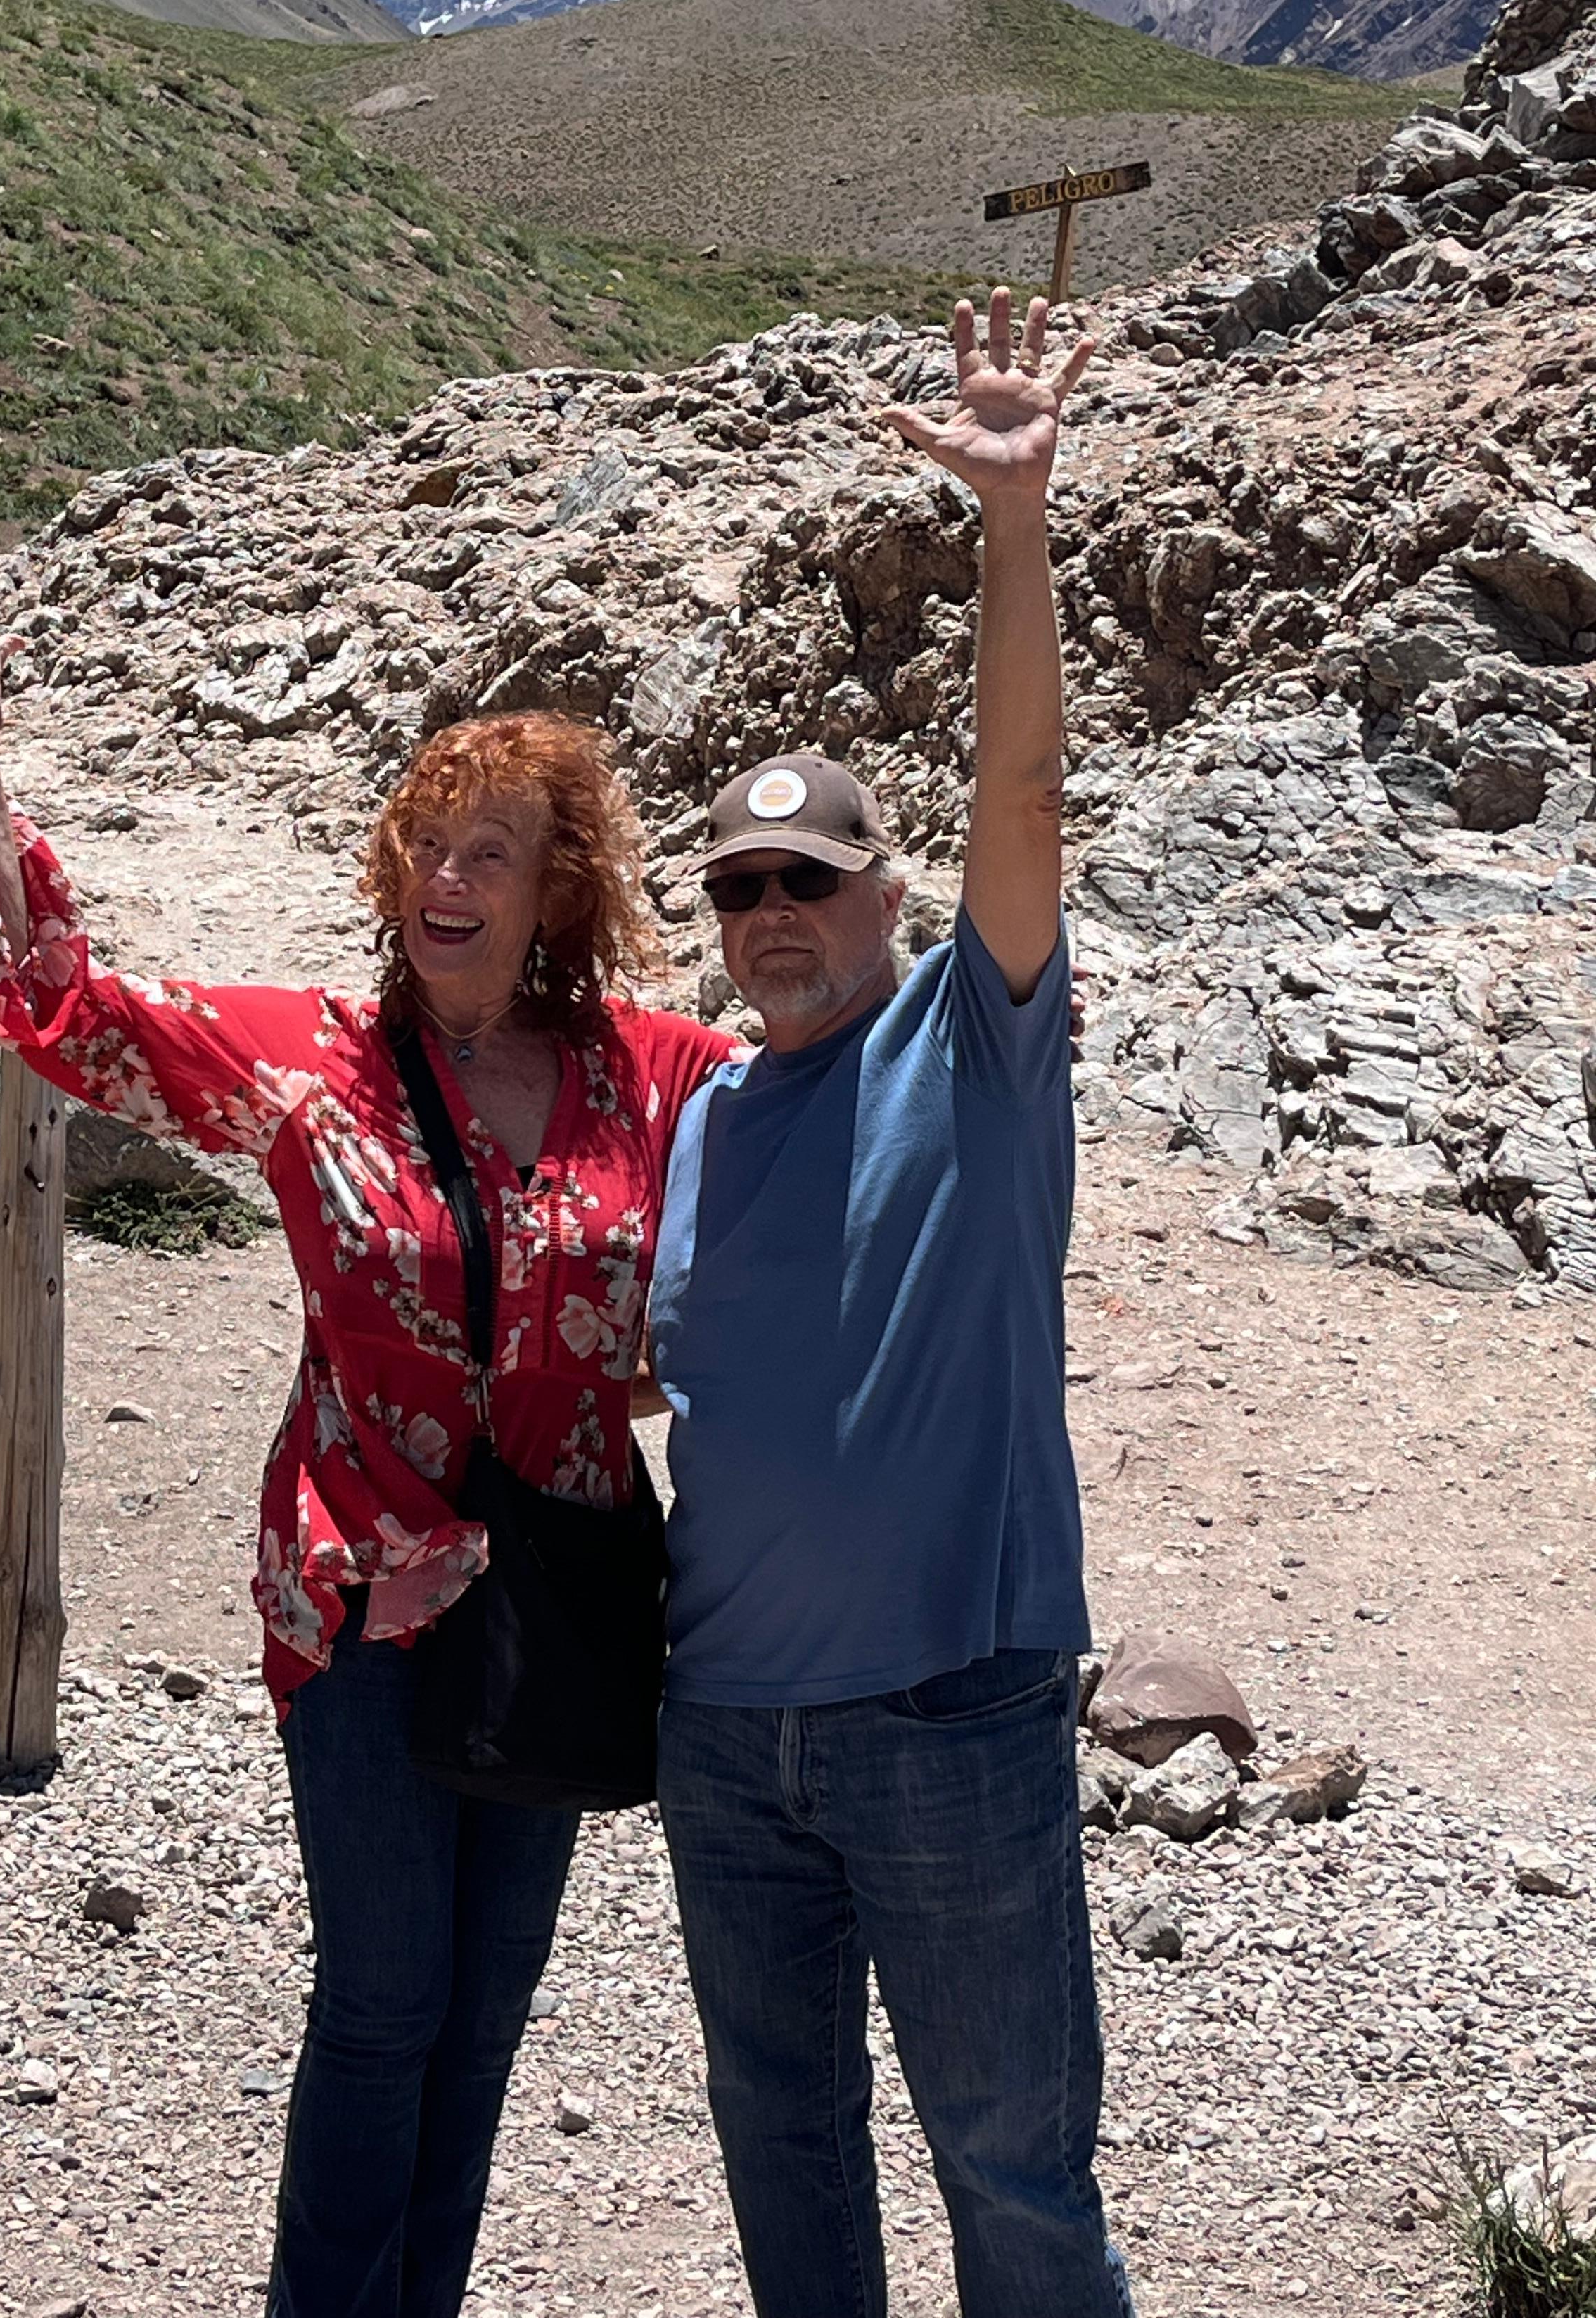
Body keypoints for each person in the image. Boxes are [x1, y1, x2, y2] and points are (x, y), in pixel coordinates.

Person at [0, 635, 737, 2318]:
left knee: (485, 2025)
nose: (447, 877)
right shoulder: (305, 1057)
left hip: (563, 1601)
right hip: (363, 1592)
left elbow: (834, 1110)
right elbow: (54, 1007)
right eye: (426, 842)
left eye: (493, 851)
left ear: (561, 891)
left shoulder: (651, 1071)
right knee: (388, 2004)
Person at [645, 288, 1135, 2318]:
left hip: (948, 1705)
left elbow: (1020, 798)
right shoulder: (701, 1113)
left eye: (811, 885)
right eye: (740, 891)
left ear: (886, 898)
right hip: (727, 1730)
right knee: (784, 2159)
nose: (772, 919)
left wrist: (1017, 519)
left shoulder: (975, 1038)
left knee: (1011, 2169)